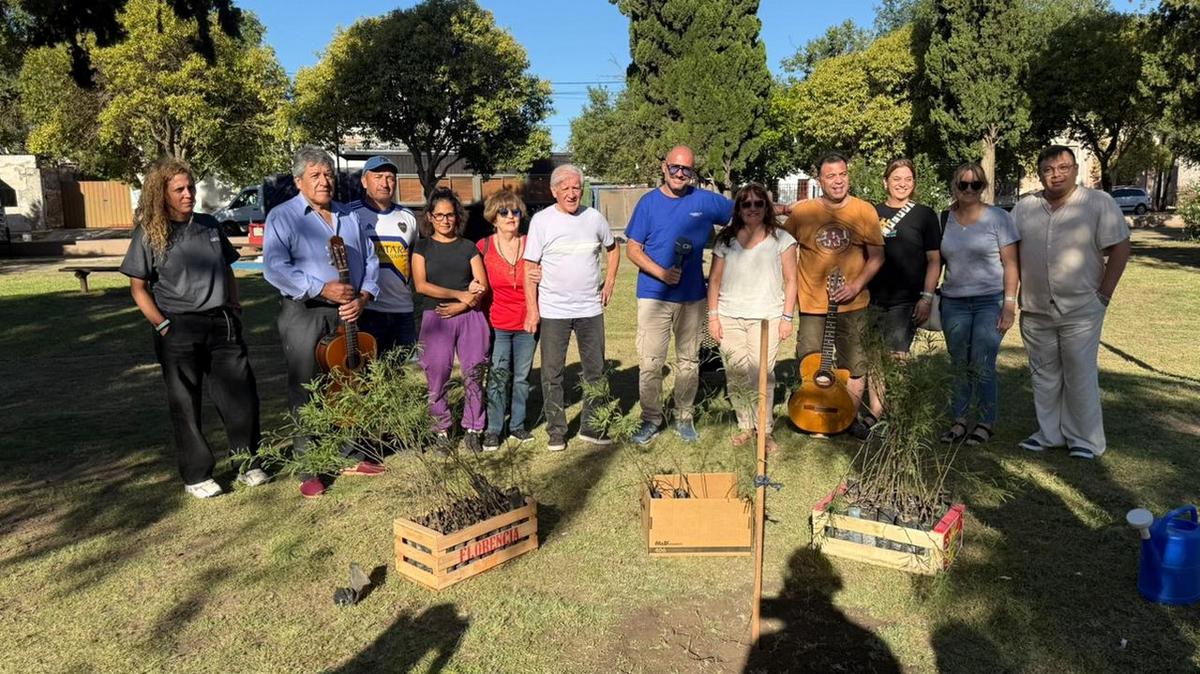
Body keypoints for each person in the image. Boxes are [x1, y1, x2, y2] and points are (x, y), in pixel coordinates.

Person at [120, 158, 264, 499]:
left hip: (222, 325)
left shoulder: (210, 225)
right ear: (162, 194)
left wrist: (234, 302)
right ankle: (197, 474)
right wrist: (163, 324)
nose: (188, 195)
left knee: (240, 395)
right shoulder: (150, 233)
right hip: (178, 328)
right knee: (186, 403)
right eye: (179, 190)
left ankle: (247, 463)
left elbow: (228, 268)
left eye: (190, 187)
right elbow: (138, 287)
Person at [263, 147, 381, 498]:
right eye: (315, 175)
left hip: (348, 312)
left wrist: (363, 298)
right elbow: (275, 268)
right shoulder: (282, 217)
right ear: (299, 181)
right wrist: (321, 288)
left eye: (328, 174)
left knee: (347, 383)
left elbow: (371, 261)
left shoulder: (349, 216)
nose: (324, 181)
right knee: (306, 387)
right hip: (306, 311)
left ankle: (349, 453)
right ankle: (309, 466)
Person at [1012, 145, 1131, 460]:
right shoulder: (1025, 208)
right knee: (1043, 373)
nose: (1056, 175)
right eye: (1049, 169)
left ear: (1075, 169)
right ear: (1040, 173)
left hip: (1081, 308)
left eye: (1063, 167)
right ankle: (1049, 434)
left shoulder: (1097, 203)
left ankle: (1085, 440)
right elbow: (1008, 252)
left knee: (1080, 372)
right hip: (1035, 308)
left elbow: (1120, 248)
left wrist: (1104, 294)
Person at [625, 145, 735, 445]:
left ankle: (684, 418)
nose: (680, 173)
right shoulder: (648, 203)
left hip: (692, 297)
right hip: (653, 296)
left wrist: (788, 210)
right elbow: (632, 249)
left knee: (688, 360)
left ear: (691, 173)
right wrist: (660, 273)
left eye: (686, 169)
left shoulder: (704, 200)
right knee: (650, 361)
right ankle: (650, 420)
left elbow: (750, 209)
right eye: (675, 167)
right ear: (664, 167)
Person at [783, 152, 885, 439]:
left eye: (842, 174)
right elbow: (784, 249)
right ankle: (816, 413)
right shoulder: (804, 213)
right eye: (831, 176)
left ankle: (847, 417)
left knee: (854, 364)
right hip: (814, 304)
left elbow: (877, 256)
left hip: (854, 303)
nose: (838, 181)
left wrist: (855, 286)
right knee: (811, 362)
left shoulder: (864, 210)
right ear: (820, 181)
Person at [523, 164, 620, 451]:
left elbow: (612, 249)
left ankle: (592, 426)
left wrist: (610, 282)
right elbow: (530, 266)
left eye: (576, 187)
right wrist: (532, 309)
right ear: (554, 192)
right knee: (552, 373)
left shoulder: (595, 218)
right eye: (564, 188)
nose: (571, 193)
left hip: (590, 308)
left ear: (582, 189)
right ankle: (556, 431)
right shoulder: (541, 222)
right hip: (554, 310)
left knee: (595, 370)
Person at [706, 183, 798, 453]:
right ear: (739, 208)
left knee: (761, 375)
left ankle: (765, 431)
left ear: (767, 207)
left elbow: (792, 280)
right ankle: (746, 426)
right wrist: (713, 317)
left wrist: (787, 317)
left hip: (766, 318)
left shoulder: (782, 239)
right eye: (747, 204)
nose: (753, 208)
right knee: (735, 375)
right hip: (729, 317)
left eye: (759, 203)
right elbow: (713, 281)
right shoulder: (726, 240)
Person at [936, 162, 1020, 447]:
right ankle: (959, 421)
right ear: (955, 186)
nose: (969, 190)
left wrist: (1009, 303)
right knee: (959, 363)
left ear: (983, 187)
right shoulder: (944, 218)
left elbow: (1011, 263)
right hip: (954, 302)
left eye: (975, 184)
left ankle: (985, 422)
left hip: (990, 301)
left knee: (982, 362)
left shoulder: (998, 218)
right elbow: (936, 262)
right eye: (963, 184)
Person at [865, 158, 943, 424]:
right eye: (896, 178)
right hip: (872, 296)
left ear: (914, 183)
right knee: (874, 353)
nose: (902, 184)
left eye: (907, 179)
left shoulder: (924, 215)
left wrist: (927, 297)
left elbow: (935, 260)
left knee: (897, 354)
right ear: (885, 181)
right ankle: (876, 410)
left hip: (906, 298)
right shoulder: (870, 212)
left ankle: (896, 410)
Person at [412, 188, 490, 453]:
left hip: (470, 316)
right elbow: (421, 285)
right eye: (439, 215)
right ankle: (442, 430)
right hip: (436, 317)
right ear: (430, 217)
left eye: (450, 215)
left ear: (458, 217)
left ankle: (473, 428)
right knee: (437, 373)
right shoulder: (422, 246)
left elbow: (482, 286)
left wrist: (463, 305)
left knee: (474, 373)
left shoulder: (468, 247)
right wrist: (460, 296)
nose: (445, 220)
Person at [477, 189, 539, 452]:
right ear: (494, 217)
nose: (511, 216)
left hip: (527, 321)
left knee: (522, 377)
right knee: (499, 376)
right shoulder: (484, 247)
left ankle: (517, 425)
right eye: (504, 212)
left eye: (515, 211)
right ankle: (493, 429)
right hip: (498, 322)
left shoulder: (531, 243)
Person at [349, 155, 419, 352]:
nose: (385, 183)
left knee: (402, 373)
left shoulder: (408, 217)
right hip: (367, 310)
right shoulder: (349, 214)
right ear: (364, 181)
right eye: (378, 176)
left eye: (390, 178)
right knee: (369, 375)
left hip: (402, 309)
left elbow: (414, 258)